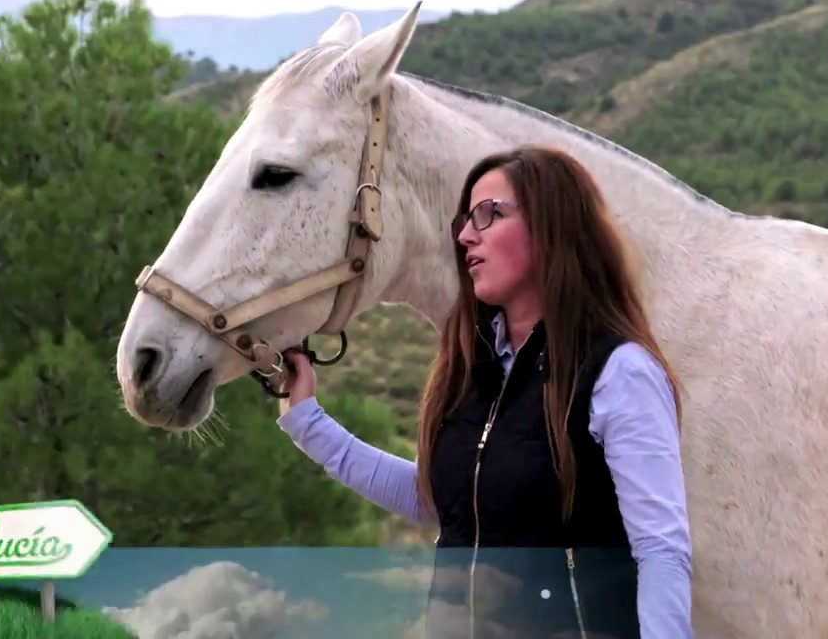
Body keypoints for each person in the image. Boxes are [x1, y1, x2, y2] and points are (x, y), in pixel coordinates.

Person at [276, 145, 692, 638]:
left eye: (489, 215)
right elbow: (442, 502)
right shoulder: (472, 373)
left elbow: (660, 550)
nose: (466, 236)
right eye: (465, 220)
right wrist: (308, 421)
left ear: (552, 227)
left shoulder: (619, 372)